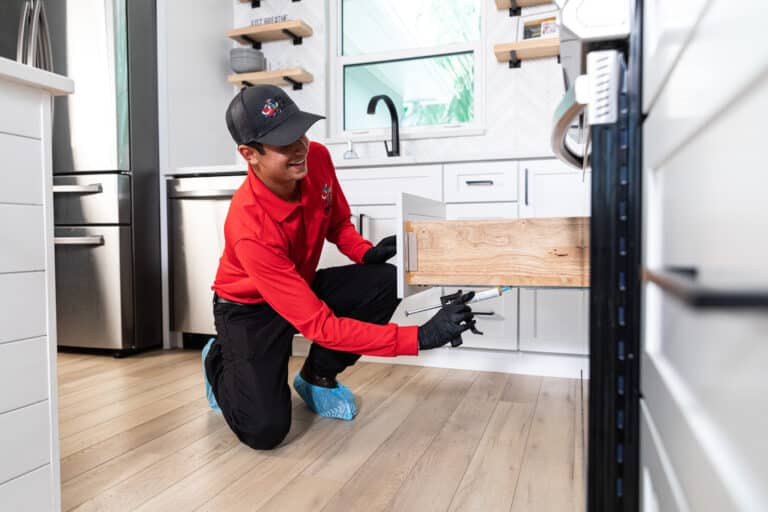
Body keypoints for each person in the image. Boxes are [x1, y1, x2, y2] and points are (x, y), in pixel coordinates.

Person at [203, 84, 477, 450]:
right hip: (248, 311)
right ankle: (219, 361)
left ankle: (317, 376)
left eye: (300, 132)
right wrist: (419, 338)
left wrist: (364, 253)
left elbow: (337, 222)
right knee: (264, 430)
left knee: (384, 280)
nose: (300, 147)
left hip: (298, 287)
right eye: (284, 143)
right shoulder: (250, 227)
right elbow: (320, 326)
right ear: (249, 153)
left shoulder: (315, 157)